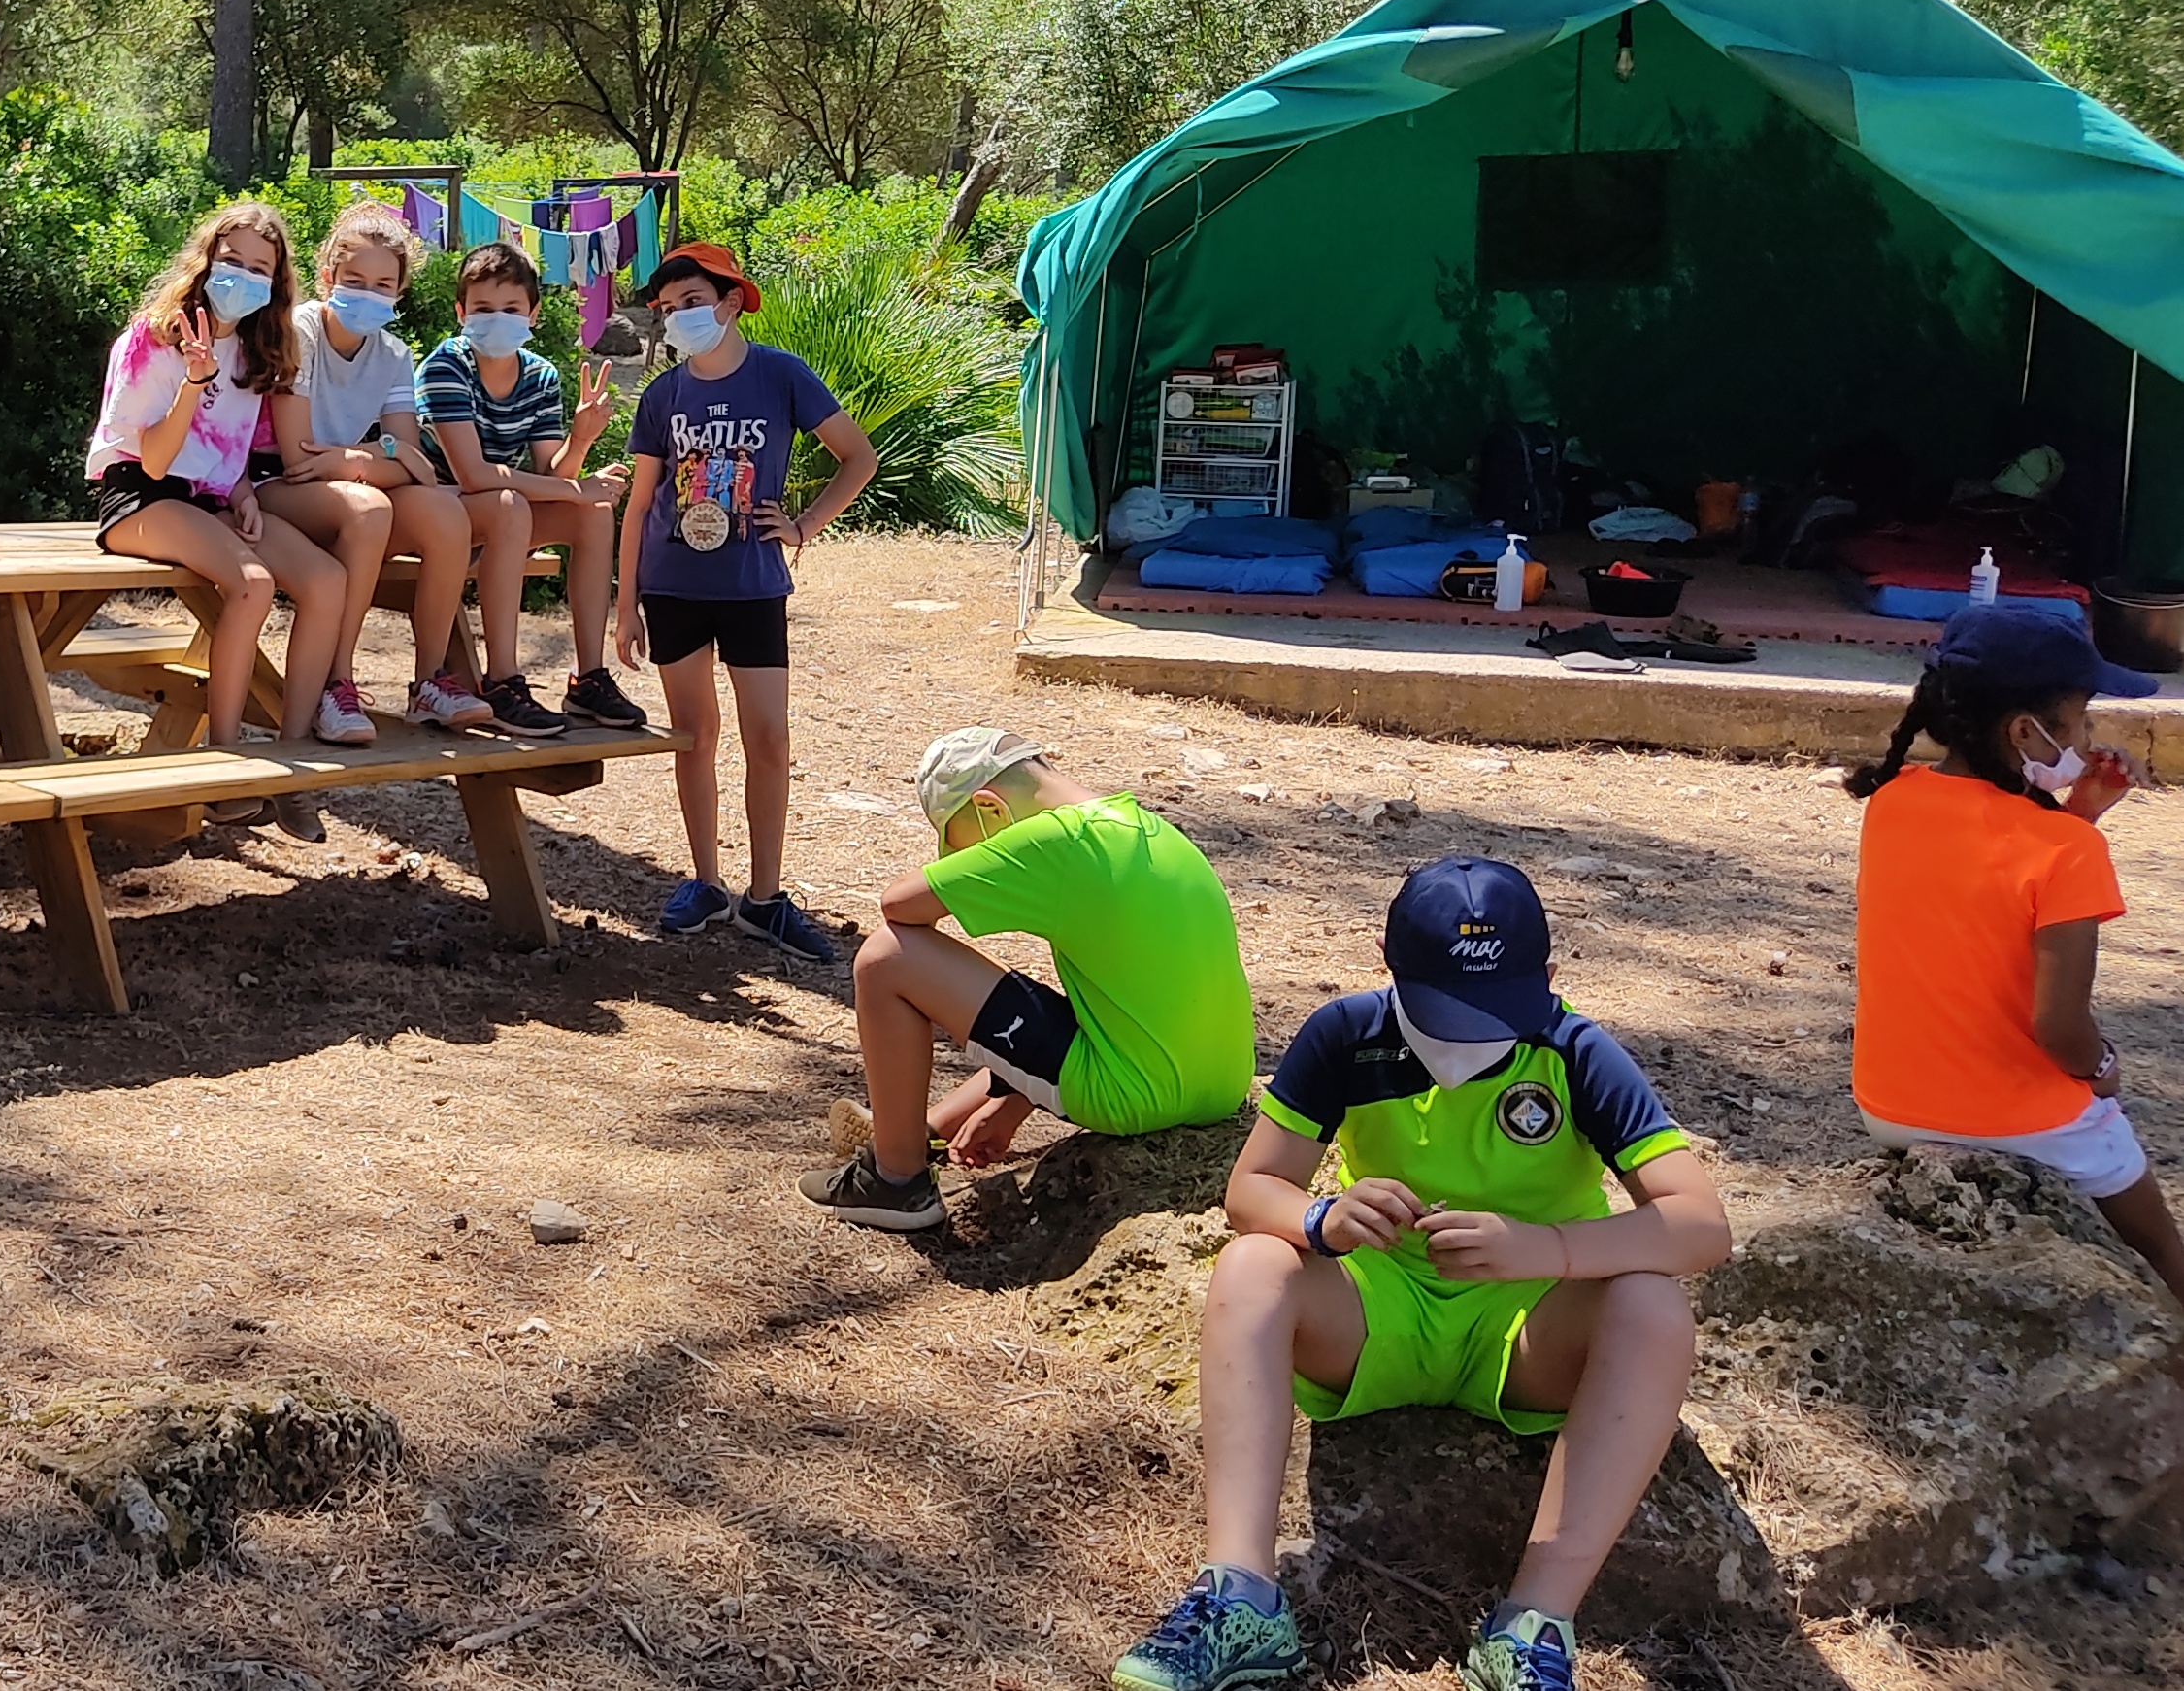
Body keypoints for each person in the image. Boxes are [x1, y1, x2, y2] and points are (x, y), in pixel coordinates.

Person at [1114, 856, 1730, 1691]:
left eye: (1492, 1015)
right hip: (1379, 1310)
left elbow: (1697, 1225)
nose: (1461, 1043)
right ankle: (1240, 1598)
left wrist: (1544, 1250)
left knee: (1654, 1309)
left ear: (1547, 979)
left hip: (1527, 1332)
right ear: (1385, 963)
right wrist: (1319, 1220)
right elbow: (1251, 1190)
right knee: (1255, 1263)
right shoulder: (1345, 1033)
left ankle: (1531, 1627)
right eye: (1440, 1013)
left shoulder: (1575, 1051)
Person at [1844, 605, 2184, 1300]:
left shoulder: (1892, 803)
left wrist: (2076, 813)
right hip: (2019, 1121)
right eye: (2080, 717)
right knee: (2160, 1240)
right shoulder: (2067, 851)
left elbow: (1988, 877)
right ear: (2025, 731)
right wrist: (2105, 1068)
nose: (2089, 736)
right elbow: (2059, 1030)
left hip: (1888, 1105)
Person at [798, 728, 1256, 1230]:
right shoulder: (1152, 830)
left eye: (962, 848)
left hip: (1138, 1095)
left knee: (888, 956)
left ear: (991, 810)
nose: (967, 864)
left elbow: (898, 904)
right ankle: (919, 1131)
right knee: (1065, 1004)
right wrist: (1012, 1104)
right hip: (1221, 1085)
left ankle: (894, 1180)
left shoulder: (1060, 839)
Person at [614, 240, 878, 964]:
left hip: (752, 586)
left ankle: (765, 898)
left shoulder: (780, 375)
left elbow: (857, 455)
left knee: (768, 740)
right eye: (667, 309)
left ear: (731, 303)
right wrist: (625, 601)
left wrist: (801, 527)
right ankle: (703, 882)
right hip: (672, 587)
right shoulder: (662, 396)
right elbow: (639, 505)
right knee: (693, 737)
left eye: (692, 303)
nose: (678, 318)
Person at [87, 200, 354, 805]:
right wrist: (194, 380)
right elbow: (153, 461)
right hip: (138, 495)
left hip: (208, 501)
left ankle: (290, 761)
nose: (243, 277)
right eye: (232, 261)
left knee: (326, 579)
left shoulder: (259, 351)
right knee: (253, 583)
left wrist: (240, 493)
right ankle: (225, 759)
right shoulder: (154, 337)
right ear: (205, 262)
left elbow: (224, 453)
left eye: (261, 269)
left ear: (277, 285)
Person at [260, 202, 493, 737]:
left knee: (443, 511)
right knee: (369, 509)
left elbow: (415, 466)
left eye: (383, 284)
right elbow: (297, 459)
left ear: (399, 291)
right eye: (355, 279)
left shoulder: (392, 353)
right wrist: (381, 458)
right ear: (327, 278)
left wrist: (350, 459)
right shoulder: (299, 330)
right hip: (274, 488)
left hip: (342, 485)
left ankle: (429, 682)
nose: (369, 293)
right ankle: (334, 684)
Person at [411, 241, 649, 741]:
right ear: (461, 313)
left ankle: (588, 678)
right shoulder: (445, 367)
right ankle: (501, 682)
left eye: (511, 309)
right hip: (435, 514)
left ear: (533, 314)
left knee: (593, 514)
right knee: (508, 504)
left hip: (497, 514)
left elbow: (553, 474)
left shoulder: (539, 375)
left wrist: (581, 439)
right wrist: (574, 489)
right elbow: (473, 476)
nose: (497, 319)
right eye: (482, 309)